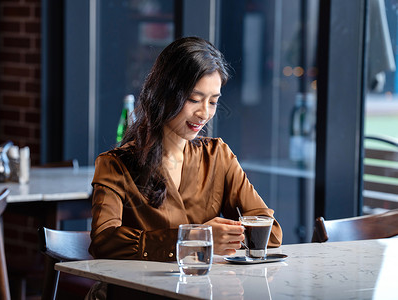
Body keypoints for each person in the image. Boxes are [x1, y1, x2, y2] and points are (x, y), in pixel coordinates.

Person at [89, 36, 282, 263]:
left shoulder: (218, 155)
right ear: (164, 94)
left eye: (212, 102)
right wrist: (196, 237)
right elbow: (103, 240)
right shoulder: (115, 164)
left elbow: (270, 233)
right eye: (193, 99)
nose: (204, 113)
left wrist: (225, 236)